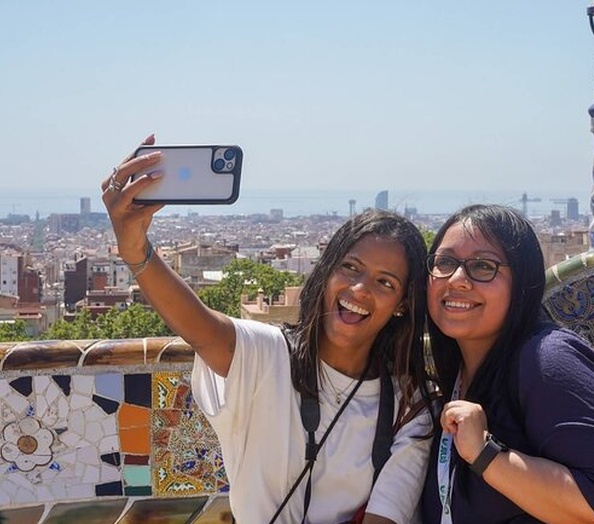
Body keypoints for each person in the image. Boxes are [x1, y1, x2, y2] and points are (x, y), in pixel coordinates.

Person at [101, 136, 435, 524]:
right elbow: (201, 327)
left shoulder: (408, 405)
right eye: (350, 268)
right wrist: (136, 250)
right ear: (327, 271)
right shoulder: (269, 358)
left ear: (403, 304)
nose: (360, 290)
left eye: (385, 283)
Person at [420, 204, 594, 523]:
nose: (457, 279)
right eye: (445, 262)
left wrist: (485, 454)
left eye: (482, 266)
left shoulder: (549, 360)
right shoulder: (454, 373)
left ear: (522, 283)